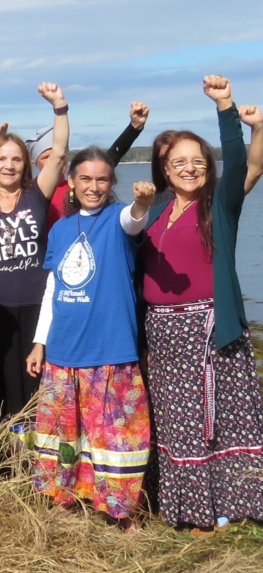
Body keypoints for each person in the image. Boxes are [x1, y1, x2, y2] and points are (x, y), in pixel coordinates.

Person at [139, 76, 263, 533]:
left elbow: (243, 161)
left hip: (210, 328)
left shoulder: (219, 203)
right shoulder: (153, 208)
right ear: (164, 168)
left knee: (219, 418)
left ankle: (226, 507)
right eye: (179, 162)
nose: (189, 168)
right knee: (176, 421)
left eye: (197, 161)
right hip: (163, 332)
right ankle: (187, 505)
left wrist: (226, 109)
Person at [24, 149, 156, 523]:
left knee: (116, 438)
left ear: (112, 184)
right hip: (63, 352)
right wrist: (40, 342)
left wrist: (142, 202)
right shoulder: (60, 228)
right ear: (71, 182)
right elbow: (53, 289)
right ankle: (66, 500)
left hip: (110, 350)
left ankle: (120, 510)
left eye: (102, 179)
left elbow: (134, 221)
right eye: (86, 178)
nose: (93, 186)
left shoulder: (118, 218)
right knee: (64, 435)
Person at [0, 83, 69, 427]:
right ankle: (1, 463)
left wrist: (59, 108)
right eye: (2, 159)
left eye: (16, 159)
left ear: (25, 165)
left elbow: (57, 153)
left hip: (39, 307)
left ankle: (37, 460)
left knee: (37, 388)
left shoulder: (36, 195)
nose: (9, 166)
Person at [26, 101, 149, 228]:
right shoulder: (30, 192)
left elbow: (110, 158)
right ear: (35, 163)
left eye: (59, 155)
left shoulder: (79, 186)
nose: (55, 161)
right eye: (46, 157)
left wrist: (134, 127)